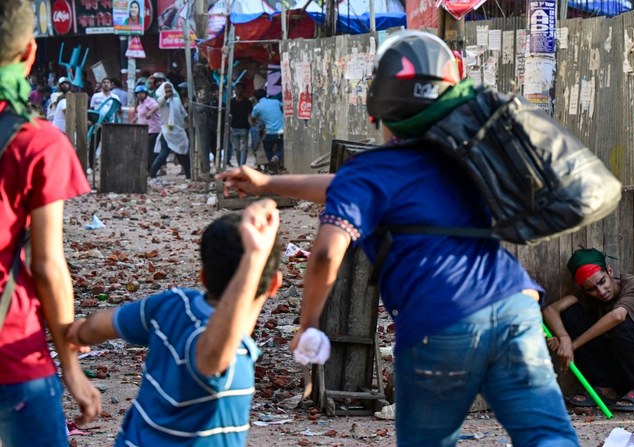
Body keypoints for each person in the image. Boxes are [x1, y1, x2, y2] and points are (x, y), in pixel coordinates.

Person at [220, 30, 579, 446]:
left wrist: (309, 325)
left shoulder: (373, 172)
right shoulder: (466, 160)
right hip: (515, 308)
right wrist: (267, 182)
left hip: (438, 323)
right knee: (547, 437)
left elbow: (324, 255)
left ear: (379, 106)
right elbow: (342, 184)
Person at [66, 199, 282, 446]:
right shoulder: (230, 353)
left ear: (202, 276)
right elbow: (213, 355)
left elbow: (97, 326)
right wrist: (254, 257)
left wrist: (79, 334)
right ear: (275, 284)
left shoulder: (172, 304)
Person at [0, 2, 101, 445]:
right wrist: (72, 368)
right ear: (29, 52)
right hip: (12, 351)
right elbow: (47, 265)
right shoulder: (38, 143)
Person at [543, 248, 634, 411]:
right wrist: (563, 338)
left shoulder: (632, 286)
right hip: (619, 368)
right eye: (591, 289)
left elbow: (617, 316)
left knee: (620, 325)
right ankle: (606, 389)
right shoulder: (588, 295)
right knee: (570, 314)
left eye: (602, 281)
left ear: (609, 271)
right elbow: (550, 310)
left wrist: (572, 346)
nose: (600, 292)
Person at [148, 81, 190, 179]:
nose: (168, 90)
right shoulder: (161, 100)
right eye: (166, 89)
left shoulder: (176, 100)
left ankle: (189, 174)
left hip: (178, 131)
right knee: (164, 152)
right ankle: (152, 174)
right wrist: (150, 113)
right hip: (167, 131)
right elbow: (157, 105)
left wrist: (188, 123)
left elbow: (183, 113)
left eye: (170, 88)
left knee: (182, 153)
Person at [88, 77, 120, 172]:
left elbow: (118, 112)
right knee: (94, 144)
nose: (106, 84)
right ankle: (91, 166)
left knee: (109, 145)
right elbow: (92, 110)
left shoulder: (115, 97)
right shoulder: (96, 96)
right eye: (104, 82)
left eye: (108, 82)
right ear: (101, 85)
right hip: (97, 124)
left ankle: (108, 166)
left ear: (111, 85)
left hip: (110, 124)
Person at [251, 88, 283, 173]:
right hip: (281, 130)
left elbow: (252, 120)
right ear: (266, 95)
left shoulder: (257, 107)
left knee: (266, 144)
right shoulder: (275, 101)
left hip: (271, 133)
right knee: (281, 144)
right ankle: (277, 157)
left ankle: (272, 162)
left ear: (256, 98)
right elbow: (283, 107)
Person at [132, 85, 160, 173]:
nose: (140, 95)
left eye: (142, 93)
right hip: (144, 131)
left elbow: (157, 106)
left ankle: (152, 170)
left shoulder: (150, 101)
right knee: (145, 150)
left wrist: (150, 112)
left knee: (150, 151)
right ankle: (149, 169)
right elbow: (140, 114)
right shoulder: (140, 104)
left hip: (153, 129)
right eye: (138, 94)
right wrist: (135, 119)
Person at [230, 82, 253, 167]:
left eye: (240, 88)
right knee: (237, 149)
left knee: (243, 148)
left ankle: (242, 166)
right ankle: (240, 165)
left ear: (243, 90)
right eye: (237, 88)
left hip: (244, 127)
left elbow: (250, 115)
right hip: (234, 127)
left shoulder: (247, 102)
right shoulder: (231, 102)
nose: (238, 90)